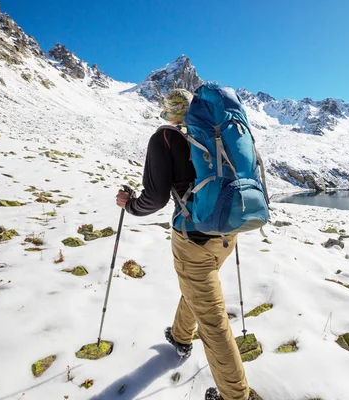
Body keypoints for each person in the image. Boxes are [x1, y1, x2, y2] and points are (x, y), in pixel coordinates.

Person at [116, 89, 261, 400]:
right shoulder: (218, 131)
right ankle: (181, 336)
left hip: (192, 239)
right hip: (226, 233)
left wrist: (130, 205)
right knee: (198, 287)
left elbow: (154, 199)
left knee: (213, 321)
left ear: (168, 112)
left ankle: (237, 396)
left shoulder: (165, 139)